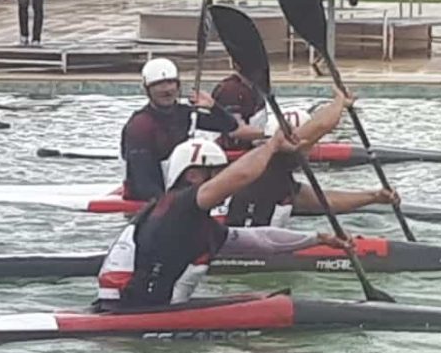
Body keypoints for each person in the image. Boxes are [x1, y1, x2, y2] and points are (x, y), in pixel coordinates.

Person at [96, 136, 352, 310]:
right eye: (217, 174)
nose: (222, 181)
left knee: (261, 301)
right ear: (194, 175)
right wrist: (271, 145)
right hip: (131, 314)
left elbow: (261, 240)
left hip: (146, 308)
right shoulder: (179, 205)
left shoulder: (191, 220)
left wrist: (317, 239)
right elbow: (241, 175)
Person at [224, 87, 399, 228]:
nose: (311, 149)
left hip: (262, 242)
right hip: (244, 247)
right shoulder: (276, 160)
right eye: (310, 144)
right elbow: (321, 125)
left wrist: (374, 197)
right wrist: (339, 102)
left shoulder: (276, 174)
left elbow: (325, 201)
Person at [121, 58, 259, 202]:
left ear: (178, 86)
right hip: (146, 200)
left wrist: (213, 107)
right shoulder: (139, 126)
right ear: (147, 90)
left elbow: (230, 126)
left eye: (170, 83)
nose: (167, 89)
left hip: (174, 193)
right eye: (159, 85)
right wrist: (167, 206)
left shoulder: (185, 114)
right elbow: (142, 180)